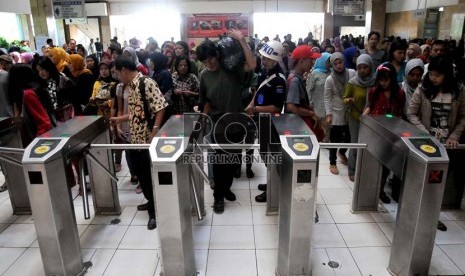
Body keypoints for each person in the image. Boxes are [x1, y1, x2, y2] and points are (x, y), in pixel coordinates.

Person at [197, 29, 256, 214]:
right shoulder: (204, 75)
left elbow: (252, 64)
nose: (209, 63)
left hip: (237, 122)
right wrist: (203, 121)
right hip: (219, 125)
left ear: (217, 55)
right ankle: (218, 198)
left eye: (211, 59)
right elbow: (205, 100)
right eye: (205, 61)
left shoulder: (231, 69)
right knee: (222, 162)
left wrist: (242, 40)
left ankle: (226, 188)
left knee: (233, 161)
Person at [407, 56, 465, 231]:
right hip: (426, 143)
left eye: (438, 75)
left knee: (438, 184)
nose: (433, 78)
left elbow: (463, 116)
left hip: (448, 145)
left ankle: (431, 217)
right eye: (431, 74)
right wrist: (425, 133)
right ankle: (413, 216)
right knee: (421, 181)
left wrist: (454, 136)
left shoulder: (459, 89)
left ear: (447, 75)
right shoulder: (423, 88)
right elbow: (411, 113)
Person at [112, 56, 167, 230]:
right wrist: (119, 119)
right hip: (135, 138)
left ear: (123, 70)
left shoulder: (146, 83)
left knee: (148, 175)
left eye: (116, 73)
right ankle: (151, 201)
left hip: (146, 139)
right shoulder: (131, 87)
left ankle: (154, 210)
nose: (117, 77)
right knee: (141, 174)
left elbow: (160, 107)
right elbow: (137, 112)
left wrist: (154, 131)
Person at [244, 40, 287, 202]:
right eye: (263, 57)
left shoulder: (279, 80)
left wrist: (254, 110)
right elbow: (259, 90)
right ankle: (271, 181)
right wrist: (252, 103)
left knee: (271, 155)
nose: (264, 61)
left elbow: (276, 107)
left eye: (268, 59)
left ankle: (274, 188)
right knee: (263, 152)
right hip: (260, 119)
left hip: (270, 122)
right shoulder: (265, 71)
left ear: (275, 60)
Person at [363, 63, 406, 203]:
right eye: (381, 80)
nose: (384, 83)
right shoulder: (374, 91)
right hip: (377, 131)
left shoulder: (399, 93)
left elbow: (400, 112)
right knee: (375, 161)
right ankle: (373, 190)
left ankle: (381, 190)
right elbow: (369, 107)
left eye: (387, 79)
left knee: (387, 164)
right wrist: (363, 119)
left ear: (392, 78)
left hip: (393, 133)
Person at [343, 54, 375, 181]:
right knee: (355, 144)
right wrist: (348, 100)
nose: (362, 70)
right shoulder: (353, 82)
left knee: (368, 145)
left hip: (371, 119)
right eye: (360, 67)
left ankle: (365, 169)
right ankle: (352, 170)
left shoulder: (375, 82)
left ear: (370, 67)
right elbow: (344, 98)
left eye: (365, 67)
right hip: (355, 118)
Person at [324, 52, 355, 175]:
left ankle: (342, 152)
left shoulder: (352, 73)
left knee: (349, 137)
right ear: (332, 65)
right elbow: (327, 98)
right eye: (335, 64)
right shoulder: (330, 79)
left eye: (340, 62)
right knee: (335, 139)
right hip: (336, 111)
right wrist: (328, 114)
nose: (338, 65)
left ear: (344, 61)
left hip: (350, 110)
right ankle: (332, 162)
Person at [7, 64, 53, 146]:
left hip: (37, 142)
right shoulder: (33, 90)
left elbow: (44, 122)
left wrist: (37, 146)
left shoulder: (28, 94)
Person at [286, 45, 323, 141]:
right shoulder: (295, 80)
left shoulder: (297, 77)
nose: (312, 63)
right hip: (298, 126)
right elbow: (291, 107)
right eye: (310, 60)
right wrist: (311, 113)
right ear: (301, 61)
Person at [307, 52, 331, 142]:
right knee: (317, 127)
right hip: (316, 105)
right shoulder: (314, 74)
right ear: (322, 61)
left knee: (327, 127)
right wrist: (310, 105)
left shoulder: (331, 73)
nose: (329, 64)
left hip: (328, 105)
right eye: (327, 61)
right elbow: (309, 90)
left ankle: (325, 143)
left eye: (330, 61)